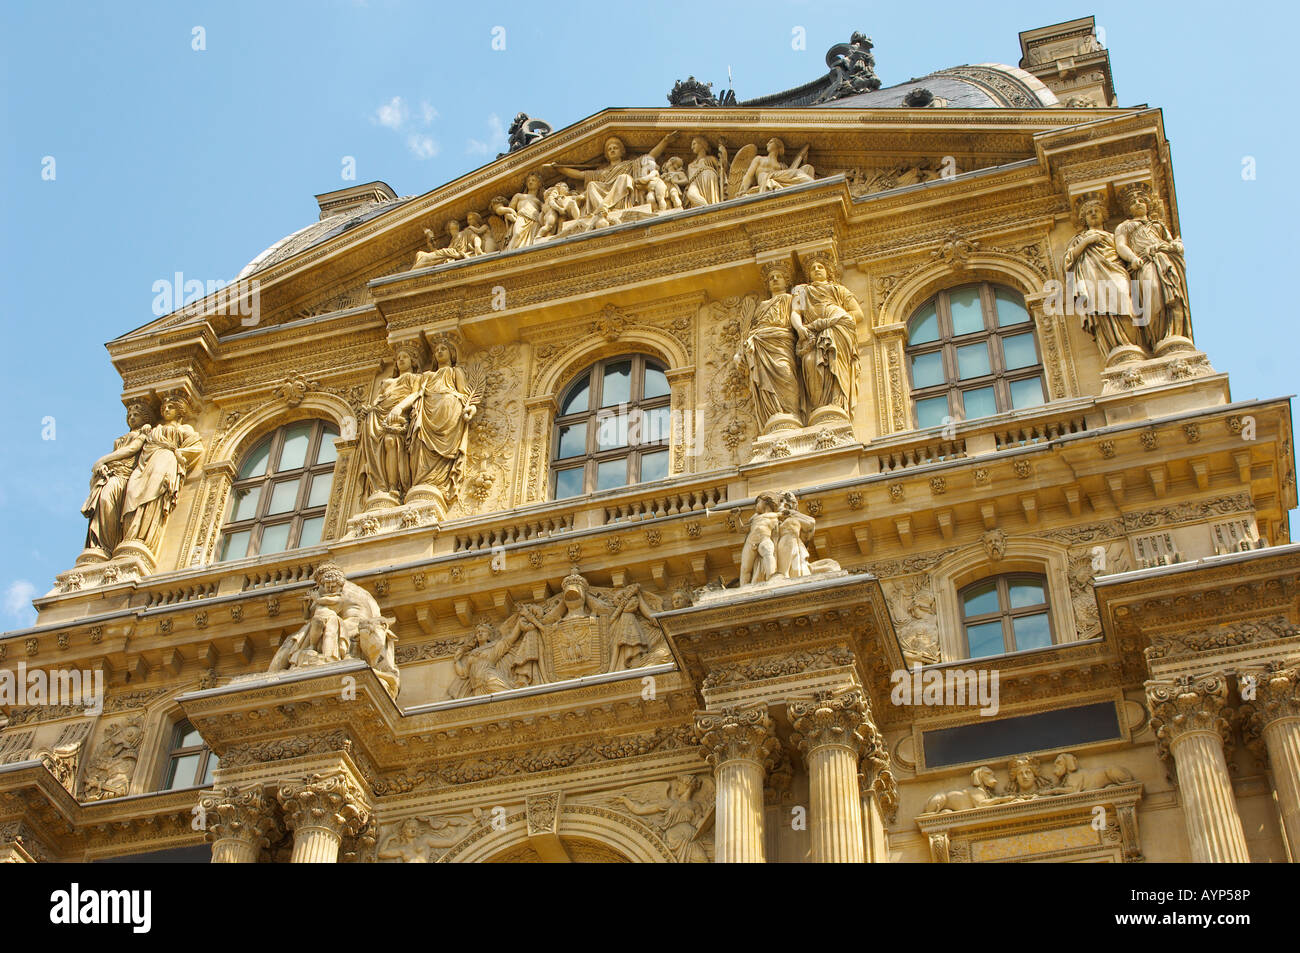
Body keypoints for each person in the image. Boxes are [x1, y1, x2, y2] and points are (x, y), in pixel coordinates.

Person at [118, 393, 203, 557]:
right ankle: (131, 535)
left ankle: (142, 538)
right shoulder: (153, 429)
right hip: (146, 463)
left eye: (170, 407)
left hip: (165, 461)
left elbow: (196, 448)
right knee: (132, 493)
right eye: (164, 407)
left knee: (153, 494)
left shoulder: (184, 429)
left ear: (179, 411)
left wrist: (179, 453)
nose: (166, 409)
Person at [1114, 185, 1192, 351]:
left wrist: (1172, 247)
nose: (1137, 203)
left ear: (1148, 205)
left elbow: (1172, 242)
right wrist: (1133, 258)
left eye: (1141, 200)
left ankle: (1173, 336)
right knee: (1154, 294)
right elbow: (1121, 246)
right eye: (1133, 201)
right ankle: (1159, 337)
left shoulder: (1158, 225)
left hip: (1163, 259)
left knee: (1174, 297)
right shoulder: (1125, 226)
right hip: (1145, 262)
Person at [1062, 196, 1138, 361]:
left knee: (1125, 301)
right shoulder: (1078, 239)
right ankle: (1118, 347)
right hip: (1092, 276)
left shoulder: (1114, 236)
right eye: (1089, 212)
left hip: (1115, 271)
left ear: (1104, 215)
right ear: (1084, 219)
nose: (1093, 214)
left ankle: (1132, 346)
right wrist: (1087, 242)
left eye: (1096, 211)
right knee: (1103, 309)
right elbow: (1068, 260)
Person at [791, 255, 863, 417]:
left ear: (828, 272)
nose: (816, 270)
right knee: (810, 362)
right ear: (808, 274)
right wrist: (799, 327)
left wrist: (837, 319)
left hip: (837, 329)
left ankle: (836, 403)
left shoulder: (839, 290)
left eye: (820, 267)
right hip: (812, 333)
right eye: (812, 268)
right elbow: (795, 312)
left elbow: (858, 314)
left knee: (835, 360)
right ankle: (820, 406)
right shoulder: (802, 291)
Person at [81, 401, 155, 557]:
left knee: (107, 502)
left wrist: (102, 460)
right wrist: (104, 467)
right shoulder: (123, 437)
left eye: (136, 415)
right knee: (102, 503)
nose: (132, 418)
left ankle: (108, 543)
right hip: (111, 474)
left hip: (123, 476)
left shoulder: (142, 433)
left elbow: (132, 449)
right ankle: (102, 546)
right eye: (130, 416)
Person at [735, 261, 802, 431]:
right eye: (771, 278)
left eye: (778, 277)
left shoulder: (790, 298)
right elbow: (751, 329)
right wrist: (740, 351)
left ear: (786, 281)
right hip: (761, 343)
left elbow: (798, 318)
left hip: (782, 341)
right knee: (765, 380)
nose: (774, 279)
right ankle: (774, 413)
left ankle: (791, 413)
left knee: (785, 372)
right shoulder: (762, 306)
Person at [359, 342, 424, 506]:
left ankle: (394, 487)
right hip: (380, 415)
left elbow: (417, 394)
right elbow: (378, 400)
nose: (400, 360)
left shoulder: (414, 378)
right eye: (398, 358)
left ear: (413, 361)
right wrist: (369, 410)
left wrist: (399, 407)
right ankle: (383, 485)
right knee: (378, 447)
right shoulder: (386, 382)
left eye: (405, 357)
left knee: (391, 441)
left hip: (398, 415)